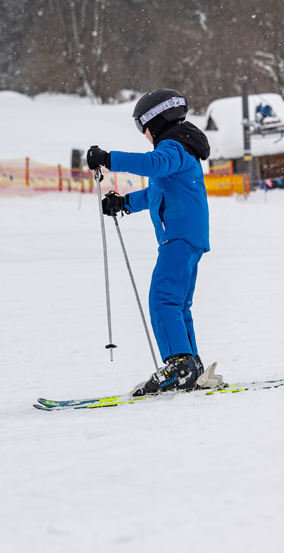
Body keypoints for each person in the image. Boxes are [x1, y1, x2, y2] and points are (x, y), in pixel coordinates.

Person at [86, 89, 215, 396]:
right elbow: (157, 193)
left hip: (179, 235)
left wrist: (108, 160)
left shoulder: (173, 148)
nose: (144, 135)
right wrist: (124, 203)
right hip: (187, 235)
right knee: (179, 303)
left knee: (163, 298)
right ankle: (190, 367)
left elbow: (152, 164)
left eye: (142, 127)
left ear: (156, 121)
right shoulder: (182, 151)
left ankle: (179, 366)